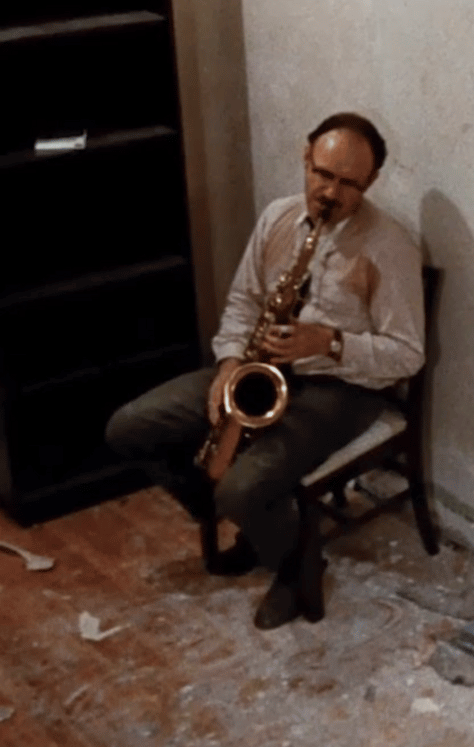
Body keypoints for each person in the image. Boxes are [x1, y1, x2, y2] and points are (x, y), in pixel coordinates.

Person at [106, 112, 425, 629]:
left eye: (348, 184)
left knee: (240, 488)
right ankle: (252, 523)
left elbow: (408, 355)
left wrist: (331, 342)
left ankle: (297, 567)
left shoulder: (389, 246)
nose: (330, 193)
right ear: (305, 156)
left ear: (371, 182)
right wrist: (230, 364)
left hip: (344, 388)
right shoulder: (279, 217)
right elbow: (243, 303)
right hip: (261, 369)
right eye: (322, 174)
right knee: (130, 427)